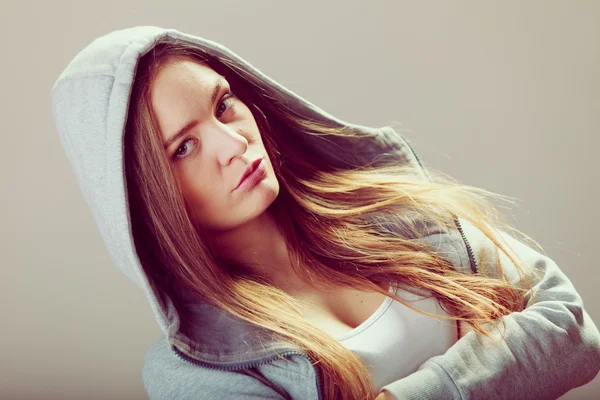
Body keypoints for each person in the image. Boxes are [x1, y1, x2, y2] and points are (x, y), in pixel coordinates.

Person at [51, 26, 600, 400]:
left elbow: (572, 332)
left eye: (223, 105)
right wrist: (490, 363)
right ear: (145, 198)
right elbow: (535, 348)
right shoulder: (192, 372)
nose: (232, 143)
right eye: (183, 148)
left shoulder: (391, 204)